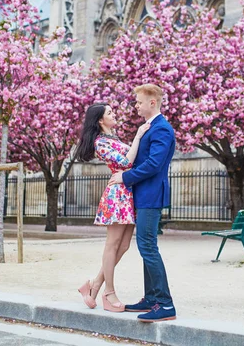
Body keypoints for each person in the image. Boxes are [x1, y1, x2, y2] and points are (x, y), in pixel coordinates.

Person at [108, 84, 177, 322]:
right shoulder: (150, 128)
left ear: (152, 103)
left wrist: (124, 177)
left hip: (151, 195)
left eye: (138, 102)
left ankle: (165, 304)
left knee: (148, 246)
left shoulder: (162, 129)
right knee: (145, 245)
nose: (136, 105)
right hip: (144, 194)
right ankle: (151, 298)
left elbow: (154, 165)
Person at [73, 103, 150, 312]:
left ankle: (94, 285)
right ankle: (109, 291)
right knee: (112, 244)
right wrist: (138, 136)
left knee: (123, 245)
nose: (114, 114)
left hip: (128, 193)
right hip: (117, 195)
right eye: (109, 112)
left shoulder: (113, 138)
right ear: (100, 120)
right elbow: (125, 162)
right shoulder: (100, 142)